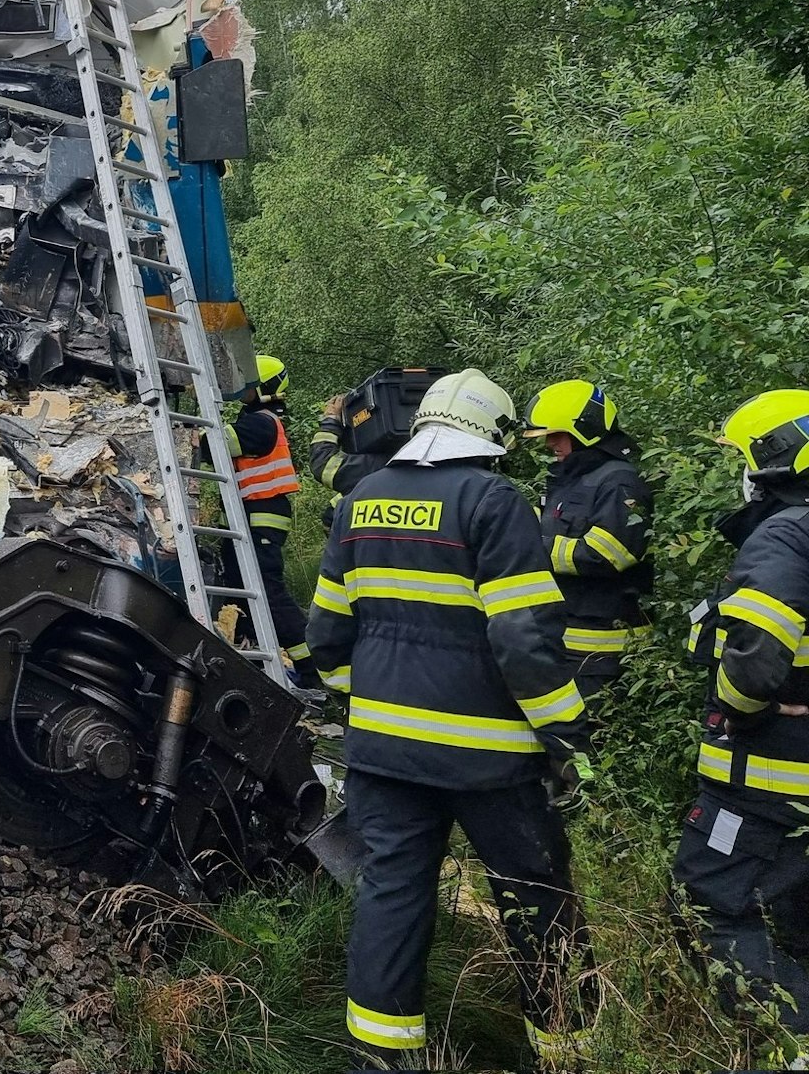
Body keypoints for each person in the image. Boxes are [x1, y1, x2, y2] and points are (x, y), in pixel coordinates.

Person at [306, 368, 596, 1065]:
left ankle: (381, 1058)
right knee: (536, 897)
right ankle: (566, 1050)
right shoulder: (494, 502)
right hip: (489, 762)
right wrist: (567, 740)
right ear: (492, 436)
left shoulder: (363, 499)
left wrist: (371, 700)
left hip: (383, 756)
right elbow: (524, 642)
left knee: (393, 899)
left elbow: (325, 634)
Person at [675, 389, 809, 1060]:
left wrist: (737, 704)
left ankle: (798, 1045)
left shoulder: (787, 532)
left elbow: (756, 662)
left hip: (767, 779)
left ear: (772, 460)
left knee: (710, 906)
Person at [524, 380, 653, 711]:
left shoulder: (619, 481)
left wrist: (532, 549)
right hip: (561, 641)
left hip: (603, 652)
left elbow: (609, 554)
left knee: (592, 743)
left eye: (557, 434)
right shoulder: (566, 479)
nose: (550, 443)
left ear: (585, 430)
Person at [222, 353, 317, 687]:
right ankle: (251, 655)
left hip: (262, 514)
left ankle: (312, 668)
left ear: (264, 387)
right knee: (239, 587)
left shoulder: (260, 423)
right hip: (253, 515)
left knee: (267, 591)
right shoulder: (256, 418)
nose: (241, 391)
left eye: (248, 385)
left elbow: (215, 446)